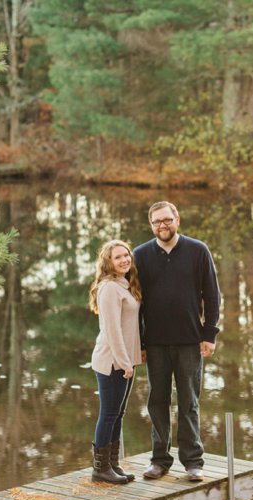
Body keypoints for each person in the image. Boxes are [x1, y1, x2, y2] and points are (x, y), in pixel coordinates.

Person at [134, 201, 220, 482]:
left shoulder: (198, 250)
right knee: (157, 401)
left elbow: (212, 295)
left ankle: (193, 461)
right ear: (151, 225)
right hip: (155, 342)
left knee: (189, 401)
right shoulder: (140, 255)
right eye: (157, 222)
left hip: (189, 341)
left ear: (177, 220)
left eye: (167, 220)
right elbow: (135, 303)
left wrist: (209, 334)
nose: (163, 226)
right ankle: (159, 460)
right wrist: (140, 343)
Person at [88, 239, 143, 484]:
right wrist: (124, 362)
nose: (124, 260)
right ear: (108, 262)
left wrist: (135, 355)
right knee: (109, 414)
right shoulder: (109, 287)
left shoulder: (124, 284)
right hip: (112, 361)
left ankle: (112, 464)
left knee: (118, 414)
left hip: (125, 360)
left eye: (126, 255)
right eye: (117, 257)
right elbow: (112, 330)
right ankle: (100, 469)